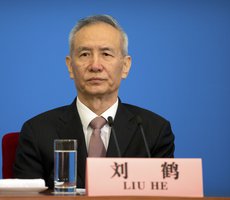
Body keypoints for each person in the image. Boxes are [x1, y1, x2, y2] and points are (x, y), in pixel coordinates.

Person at [13, 14, 175, 189]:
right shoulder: (37, 132)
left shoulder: (153, 131)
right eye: (84, 54)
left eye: (106, 54)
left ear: (125, 66)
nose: (95, 65)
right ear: (70, 66)